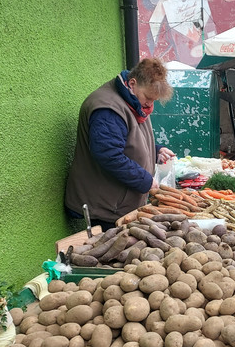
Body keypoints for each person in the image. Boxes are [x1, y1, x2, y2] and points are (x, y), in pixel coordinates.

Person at [65, 58, 175, 230]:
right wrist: (145, 181)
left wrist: (155, 151)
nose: (150, 105)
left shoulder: (133, 101)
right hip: (106, 207)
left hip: (118, 203)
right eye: (148, 98)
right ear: (132, 83)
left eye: (154, 100)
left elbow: (129, 140)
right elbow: (109, 155)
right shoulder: (108, 109)